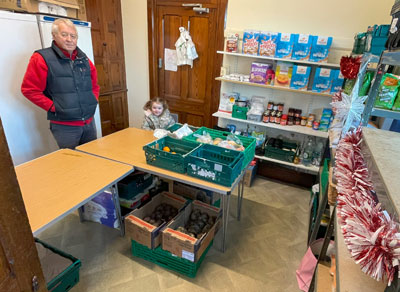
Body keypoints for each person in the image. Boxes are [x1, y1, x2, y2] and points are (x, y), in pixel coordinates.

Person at [21, 18, 100, 149]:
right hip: (65, 126)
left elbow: (94, 85)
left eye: (73, 36)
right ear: (54, 36)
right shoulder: (41, 58)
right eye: (64, 35)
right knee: (71, 164)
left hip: (89, 122)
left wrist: (93, 99)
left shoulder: (84, 58)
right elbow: (29, 90)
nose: (69, 39)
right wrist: (55, 107)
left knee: (93, 160)